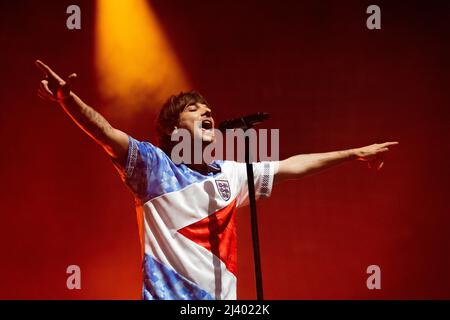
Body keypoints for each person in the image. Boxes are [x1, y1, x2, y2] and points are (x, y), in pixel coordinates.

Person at [36, 59, 398, 300]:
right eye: (194, 110)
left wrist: (352, 154)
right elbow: (105, 132)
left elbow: (293, 166)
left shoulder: (230, 173)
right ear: (175, 130)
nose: (207, 111)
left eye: (207, 108)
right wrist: (69, 101)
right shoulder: (154, 167)